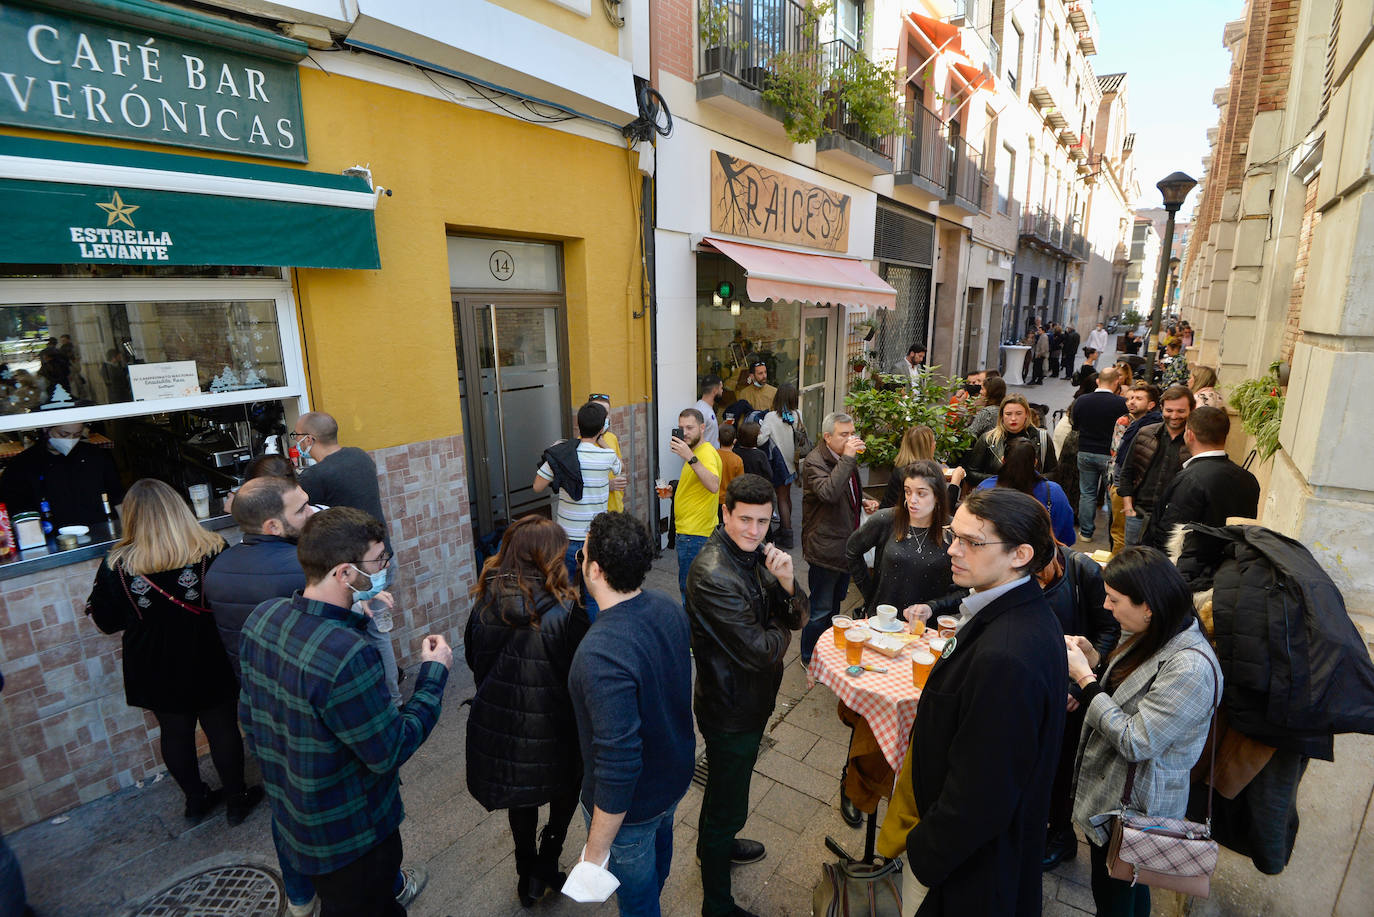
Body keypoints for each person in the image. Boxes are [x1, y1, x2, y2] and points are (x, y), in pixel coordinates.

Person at [239, 507, 451, 917]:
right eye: (378, 561)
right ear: (343, 573)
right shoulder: (348, 654)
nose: (385, 567)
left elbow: (251, 717)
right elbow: (391, 749)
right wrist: (433, 676)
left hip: (291, 816)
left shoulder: (263, 618)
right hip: (351, 834)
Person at [899, 489, 1066, 915]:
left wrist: (923, 853)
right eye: (953, 535)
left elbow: (982, 795)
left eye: (972, 541)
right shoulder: (1011, 610)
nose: (952, 550)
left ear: (1020, 554)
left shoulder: (1007, 656)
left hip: (968, 873)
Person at [84, 479, 264, 825]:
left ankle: (196, 801)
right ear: (179, 507)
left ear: (131, 517)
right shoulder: (212, 548)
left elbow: (107, 622)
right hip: (208, 654)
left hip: (152, 663)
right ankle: (237, 799)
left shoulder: (117, 565)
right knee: (223, 727)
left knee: (175, 733)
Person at [1065, 548, 1221, 916]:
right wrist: (1094, 660)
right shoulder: (1155, 631)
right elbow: (1130, 689)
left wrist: (1085, 681)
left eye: (1115, 600)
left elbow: (1137, 740)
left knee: (1115, 893)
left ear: (1148, 605)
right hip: (1116, 800)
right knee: (1128, 884)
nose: (1106, 606)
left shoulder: (1190, 668)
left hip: (1136, 809)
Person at [685, 475, 806, 917]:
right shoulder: (714, 573)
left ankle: (714, 847)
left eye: (763, 521)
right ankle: (716, 904)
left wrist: (788, 583)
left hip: (749, 700)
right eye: (745, 520)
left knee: (725, 789)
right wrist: (778, 620)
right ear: (725, 513)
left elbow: (795, 614)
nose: (755, 531)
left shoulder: (753, 555)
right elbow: (763, 651)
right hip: (730, 707)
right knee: (726, 798)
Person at [569, 512, 695, 917]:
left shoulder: (600, 653)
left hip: (633, 809)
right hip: (672, 781)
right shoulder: (666, 606)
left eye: (582, 554)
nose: (579, 560)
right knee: (656, 870)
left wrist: (595, 851)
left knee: (638, 901)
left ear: (596, 570)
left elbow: (618, 764)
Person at [465, 515, 590, 907]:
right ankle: (547, 864)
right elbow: (581, 677)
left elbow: (473, 660)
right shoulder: (568, 611)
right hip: (558, 727)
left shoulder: (483, 601)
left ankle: (527, 875)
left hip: (503, 725)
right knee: (565, 791)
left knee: (521, 800)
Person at [294, 410, 403, 703]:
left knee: (369, 636)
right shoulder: (358, 456)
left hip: (357, 572)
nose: (296, 443)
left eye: (297, 437)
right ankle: (388, 695)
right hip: (381, 559)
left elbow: (293, 510)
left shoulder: (316, 475)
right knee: (377, 633)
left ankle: (389, 701)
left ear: (309, 439)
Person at [1036, 536, 1120, 872]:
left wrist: (1078, 681)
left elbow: (1108, 630)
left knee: (1062, 766)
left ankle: (1061, 835)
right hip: (1035, 684)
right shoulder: (1014, 566)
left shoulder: (1080, 569)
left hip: (1072, 693)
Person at [205, 476, 317, 681]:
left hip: (255, 693)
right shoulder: (307, 567)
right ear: (273, 526)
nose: (312, 513)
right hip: (305, 692)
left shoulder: (217, 568)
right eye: (302, 509)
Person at [1145, 407, 1261, 578]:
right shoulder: (1248, 479)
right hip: (1228, 573)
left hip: (1188, 576)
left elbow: (1169, 534)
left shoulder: (1190, 479)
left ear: (1189, 434)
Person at [799, 413, 878, 665]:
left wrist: (861, 499)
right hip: (824, 548)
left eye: (852, 433)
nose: (851, 439)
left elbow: (847, 486)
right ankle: (808, 657)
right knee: (820, 609)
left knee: (834, 608)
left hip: (845, 546)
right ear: (827, 437)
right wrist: (848, 458)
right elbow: (829, 492)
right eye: (844, 434)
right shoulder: (814, 462)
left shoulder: (844, 458)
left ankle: (827, 654)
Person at [534, 401, 624, 619]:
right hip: (593, 539)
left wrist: (559, 454)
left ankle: (562, 637)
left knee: (562, 592)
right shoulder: (607, 456)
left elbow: (537, 487)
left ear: (577, 425)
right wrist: (601, 439)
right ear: (603, 427)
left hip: (565, 537)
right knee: (593, 596)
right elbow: (619, 468)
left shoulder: (561, 455)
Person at [847, 461, 962, 621]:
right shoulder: (887, 519)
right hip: (883, 621)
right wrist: (870, 595)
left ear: (937, 496)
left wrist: (932, 606)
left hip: (926, 629)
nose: (912, 500)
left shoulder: (954, 530)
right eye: (908, 492)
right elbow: (852, 551)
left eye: (921, 494)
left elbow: (967, 590)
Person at [0, 422, 124, 529]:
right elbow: (17, 512)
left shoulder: (96, 456)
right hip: (50, 539)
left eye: (77, 435)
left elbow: (118, 498)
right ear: (46, 429)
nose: (70, 440)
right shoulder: (22, 465)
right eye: (63, 434)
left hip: (99, 531)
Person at [1117, 385, 1194, 547]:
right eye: (1169, 410)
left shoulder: (1195, 442)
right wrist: (1128, 508)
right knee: (1133, 564)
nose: (1174, 416)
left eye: (1181, 411)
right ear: (1161, 409)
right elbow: (1127, 471)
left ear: (1191, 410)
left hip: (1172, 521)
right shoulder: (1145, 433)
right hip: (1138, 514)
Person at [975, 439, 1077, 546]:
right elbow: (1067, 538)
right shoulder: (1054, 492)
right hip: (1041, 558)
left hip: (994, 557)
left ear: (1003, 460)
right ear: (1035, 462)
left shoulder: (984, 488)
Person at [1071, 366, 1128, 542]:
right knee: (1111, 495)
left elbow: (1076, 425)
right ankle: (1113, 533)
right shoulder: (1121, 403)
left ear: (1098, 381)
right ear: (1117, 381)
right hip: (1109, 455)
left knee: (1087, 493)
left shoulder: (1082, 401)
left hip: (1085, 451)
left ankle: (1086, 533)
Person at [670, 408, 722, 602]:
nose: (685, 432)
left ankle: (692, 631)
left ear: (702, 427)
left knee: (690, 592)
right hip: (693, 532)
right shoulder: (698, 452)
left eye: (690, 427)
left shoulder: (703, 454)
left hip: (695, 535)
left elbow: (713, 485)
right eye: (681, 427)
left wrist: (690, 458)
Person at [961, 394, 1058, 487]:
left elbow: (1054, 473)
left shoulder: (1042, 438)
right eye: (1008, 414)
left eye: (1019, 414)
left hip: (1033, 496)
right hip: (995, 497)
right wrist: (1000, 479)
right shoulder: (988, 440)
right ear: (1002, 415)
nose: (1013, 418)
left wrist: (1032, 479)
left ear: (1026, 415)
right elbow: (971, 473)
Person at [1108, 383, 1159, 556]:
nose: (1132, 402)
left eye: (1138, 399)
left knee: (1121, 535)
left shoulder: (1148, 428)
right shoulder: (1135, 424)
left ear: (1151, 405)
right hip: (1122, 486)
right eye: (1130, 398)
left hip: (1129, 490)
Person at [757, 383, 803, 548]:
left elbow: (760, 440)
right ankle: (785, 527)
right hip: (793, 463)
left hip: (779, 464)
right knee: (787, 497)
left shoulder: (770, 417)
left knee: (781, 499)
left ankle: (787, 534)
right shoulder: (798, 414)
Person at [879, 425, 964, 510]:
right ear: (927, 447)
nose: (935, 444)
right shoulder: (919, 474)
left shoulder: (900, 468)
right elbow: (944, 510)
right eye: (933, 441)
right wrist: (955, 483)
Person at [589, 393, 630, 514]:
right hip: (597, 514)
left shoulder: (611, 438)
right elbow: (581, 486)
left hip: (617, 507)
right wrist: (607, 486)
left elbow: (622, 466)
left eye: (606, 413)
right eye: (598, 413)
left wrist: (602, 442)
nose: (603, 417)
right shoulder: (582, 443)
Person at [963, 376, 1007, 441]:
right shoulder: (1004, 409)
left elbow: (969, 435)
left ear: (990, 391)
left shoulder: (987, 412)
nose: (980, 392)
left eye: (982, 389)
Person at [715, 424, 745, 511]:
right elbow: (740, 483)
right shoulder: (737, 460)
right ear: (734, 441)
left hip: (713, 498)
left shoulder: (713, 455)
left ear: (718, 439)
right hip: (730, 500)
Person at [695, 374, 724, 449]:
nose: (722, 391)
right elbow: (694, 437)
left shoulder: (707, 407)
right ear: (715, 390)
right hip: (705, 458)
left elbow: (707, 431)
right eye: (721, 388)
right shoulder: (701, 410)